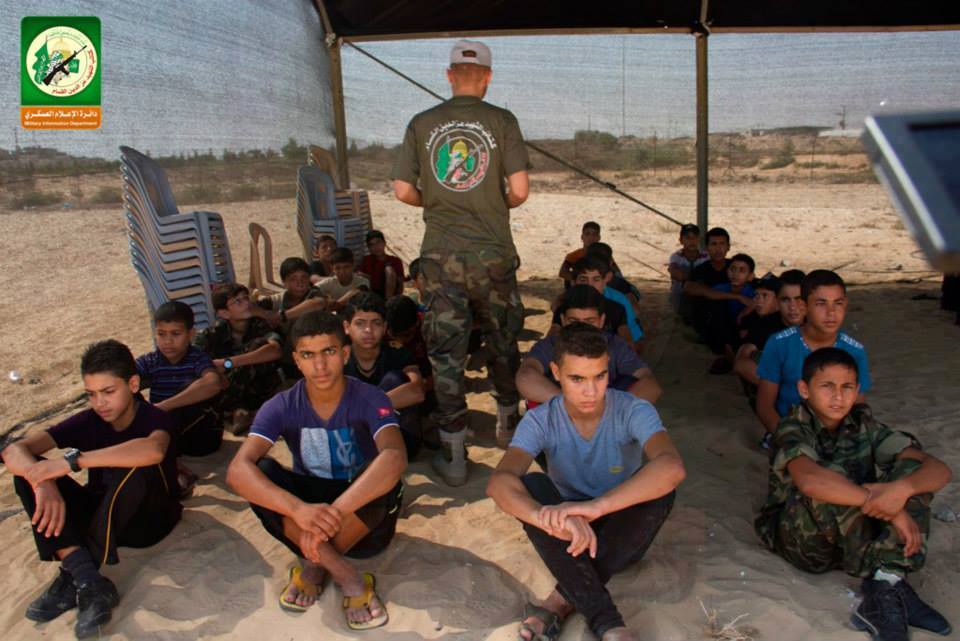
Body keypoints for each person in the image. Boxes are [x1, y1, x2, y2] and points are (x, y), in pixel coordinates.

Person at [487, 324, 685, 641]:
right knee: (532, 485)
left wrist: (596, 507)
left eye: (599, 377)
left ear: (609, 371)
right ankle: (608, 622)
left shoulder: (633, 409)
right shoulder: (541, 418)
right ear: (556, 373)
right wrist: (543, 517)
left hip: (622, 526)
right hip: (566, 530)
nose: (590, 392)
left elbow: (671, 466)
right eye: (577, 379)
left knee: (661, 491)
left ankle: (557, 602)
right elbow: (499, 482)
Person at [392, 39, 530, 485]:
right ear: (487, 77)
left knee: (447, 354)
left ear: (449, 75)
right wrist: (492, 203)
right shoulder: (503, 120)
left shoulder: (422, 123)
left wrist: (437, 202)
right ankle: (509, 426)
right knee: (502, 340)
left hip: (440, 254)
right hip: (493, 252)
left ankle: (454, 455)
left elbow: (402, 190)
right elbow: (520, 190)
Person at [755, 348, 952, 641]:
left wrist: (902, 490)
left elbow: (938, 469)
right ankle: (888, 582)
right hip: (803, 540)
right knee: (832, 480)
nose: (838, 396)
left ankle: (886, 582)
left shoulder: (863, 425)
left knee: (911, 473)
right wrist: (891, 509)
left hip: (854, 536)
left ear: (857, 390)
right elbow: (809, 481)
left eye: (847, 387)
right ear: (804, 389)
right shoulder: (793, 426)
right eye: (827, 386)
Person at [226, 311, 406, 629]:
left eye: (329, 351)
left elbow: (395, 457)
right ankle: (346, 576)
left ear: (345, 354)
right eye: (308, 355)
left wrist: (331, 515)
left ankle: (314, 567)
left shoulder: (371, 397)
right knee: (259, 471)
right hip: (306, 514)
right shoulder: (281, 405)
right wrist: (300, 510)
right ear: (296, 360)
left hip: (361, 521)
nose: (319, 365)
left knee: (382, 471)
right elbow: (237, 472)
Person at [2, 340, 182, 639]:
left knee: (136, 465)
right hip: (102, 514)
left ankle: (74, 573)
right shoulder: (90, 420)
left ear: (133, 384)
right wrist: (43, 482)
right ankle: (87, 578)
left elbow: (153, 450)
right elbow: (14, 450)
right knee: (26, 475)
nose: (100, 403)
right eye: (91, 394)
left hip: (149, 522)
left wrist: (71, 462)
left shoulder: (154, 418)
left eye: (108, 392)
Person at [756, 270, 871, 450]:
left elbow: (858, 408)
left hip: (837, 436)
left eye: (838, 303)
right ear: (804, 306)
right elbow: (764, 406)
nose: (831, 312)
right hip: (789, 429)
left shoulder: (855, 351)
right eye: (820, 304)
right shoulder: (779, 343)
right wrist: (789, 440)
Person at [136, 301, 226, 496]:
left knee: (193, 387)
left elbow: (212, 383)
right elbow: (124, 376)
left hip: (200, 439)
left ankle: (174, 468)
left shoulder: (197, 358)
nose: (167, 341)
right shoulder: (151, 360)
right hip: (164, 432)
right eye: (161, 334)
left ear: (190, 333)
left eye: (175, 334)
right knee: (127, 389)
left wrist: (163, 407)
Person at [518, 285, 661, 407]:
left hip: (608, 416)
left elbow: (650, 384)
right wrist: (569, 404)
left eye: (590, 321)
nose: (582, 327)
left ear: (601, 320)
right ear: (563, 320)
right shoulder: (551, 344)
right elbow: (525, 376)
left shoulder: (615, 345)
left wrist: (610, 411)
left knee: (630, 384)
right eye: (574, 321)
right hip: (562, 415)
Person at [343, 293, 427, 459]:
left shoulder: (398, 354)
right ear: (346, 327)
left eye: (376, 323)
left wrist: (367, 407)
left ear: (384, 327)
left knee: (394, 379)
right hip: (353, 441)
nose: (368, 330)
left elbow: (417, 391)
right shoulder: (338, 360)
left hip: (400, 440)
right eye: (360, 323)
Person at [194, 283, 284, 433]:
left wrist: (228, 363)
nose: (246, 304)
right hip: (227, 391)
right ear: (224, 313)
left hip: (260, 388)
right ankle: (242, 412)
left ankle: (244, 413)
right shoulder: (212, 334)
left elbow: (275, 351)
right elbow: (193, 361)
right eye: (238, 301)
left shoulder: (259, 325)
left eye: (246, 298)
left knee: (257, 347)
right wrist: (213, 372)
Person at [733, 270, 806, 390]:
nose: (792, 307)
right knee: (757, 356)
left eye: (799, 299)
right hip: (780, 388)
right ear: (777, 301)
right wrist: (785, 389)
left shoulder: (818, 321)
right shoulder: (766, 324)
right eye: (785, 300)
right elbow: (741, 362)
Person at [550, 255, 638, 350]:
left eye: (596, 280)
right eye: (583, 280)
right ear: (573, 283)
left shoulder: (616, 308)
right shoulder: (564, 306)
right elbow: (552, 336)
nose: (590, 285)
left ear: (604, 282)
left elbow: (627, 340)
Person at [702, 253, 756, 374]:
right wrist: (738, 297)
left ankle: (733, 359)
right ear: (727, 271)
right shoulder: (722, 288)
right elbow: (708, 293)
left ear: (750, 276)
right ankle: (728, 356)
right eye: (733, 269)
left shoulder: (753, 292)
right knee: (715, 307)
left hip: (744, 332)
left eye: (742, 270)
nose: (735, 274)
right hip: (725, 330)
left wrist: (746, 311)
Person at [682, 227, 733, 340]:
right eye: (713, 244)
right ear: (706, 247)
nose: (718, 249)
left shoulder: (735, 267)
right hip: (708, 318)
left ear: (728, 247)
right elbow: (688, 287)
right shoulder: (701, 270)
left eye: (722, 244)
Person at [257, 257, 328, 327]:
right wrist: (267, 315)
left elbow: (317, 303)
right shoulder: (279, 299)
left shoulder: (314, 293)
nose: (300, 284)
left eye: (304, 277)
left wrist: (282, 316)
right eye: (293, 279)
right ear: (284, 282)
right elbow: (255, 308)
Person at [668, 223, 708, 317]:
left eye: (695, 237)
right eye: (688, 238)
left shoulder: (706, 256)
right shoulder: (676, 257)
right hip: (680, 296)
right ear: (681, 240)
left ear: (699, 239)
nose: (692, 241)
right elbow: (676, 273)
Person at [359, 230, 405, 299]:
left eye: (378, 242)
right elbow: (361, 278)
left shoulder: (395, 261)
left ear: (384, 243)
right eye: (372, 245)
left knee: (389, 270)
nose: (376, 247)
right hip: (373, 294)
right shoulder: (367, 260)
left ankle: (388, 302)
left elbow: (400, 284)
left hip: (391, 295)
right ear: (369, 248)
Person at [559, 221, 601, 289]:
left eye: (594, 234)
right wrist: (579, 280)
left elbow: (616, 273)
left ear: (599, 238)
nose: (591, 237)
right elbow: (562, 272)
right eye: (587, 234)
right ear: (582, 237)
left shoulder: (604, 255)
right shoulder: (574, 256)